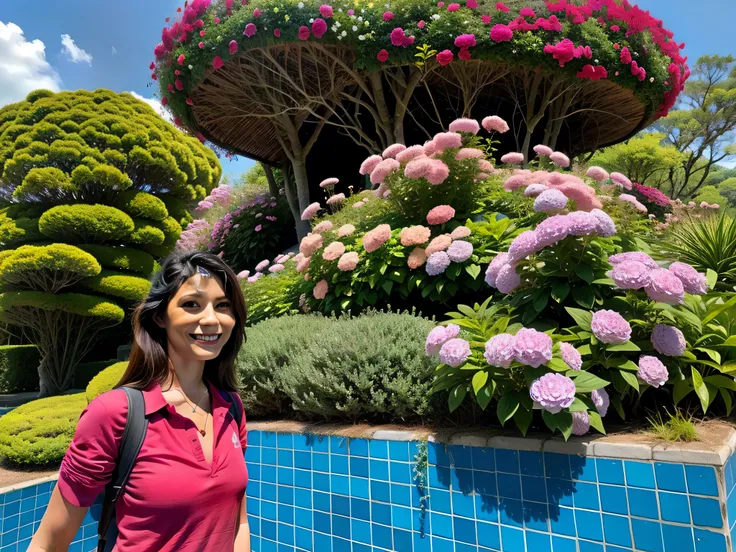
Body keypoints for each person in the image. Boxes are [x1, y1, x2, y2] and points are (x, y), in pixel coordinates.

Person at [29, 251, 251, 552]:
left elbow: (239, 522)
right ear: (160, 316)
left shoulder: (231, 407)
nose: (211, 319)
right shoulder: (115, 413)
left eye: (223, 305)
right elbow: (48, 544)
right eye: (191, 305)